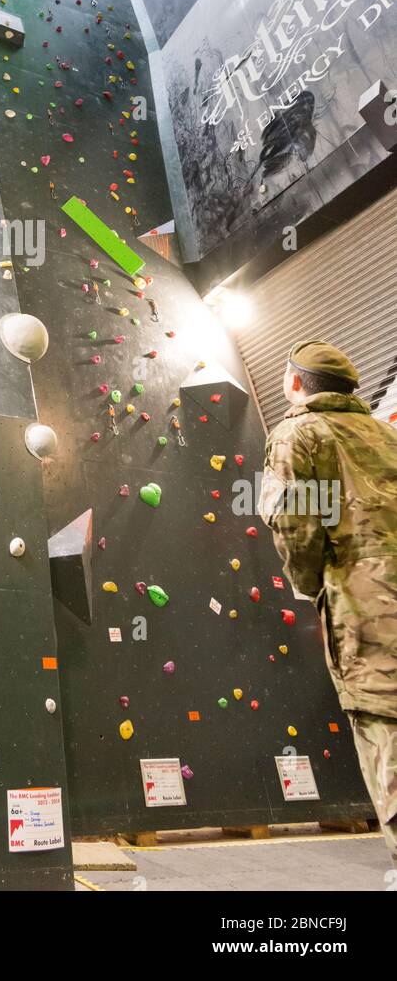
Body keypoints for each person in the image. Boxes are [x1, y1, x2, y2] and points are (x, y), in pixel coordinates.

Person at [259, 339, 397, 867]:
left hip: (367, 611)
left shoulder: (297, 433)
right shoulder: (386, 433)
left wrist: (314, 585)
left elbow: (296, 526)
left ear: (295, 383)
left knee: (386, 736)